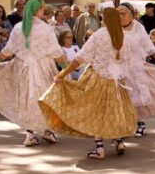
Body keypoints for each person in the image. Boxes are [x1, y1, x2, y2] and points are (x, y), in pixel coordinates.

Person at [40, 8, 138, 160]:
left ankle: (99, 149)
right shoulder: (124, 36)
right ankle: (119, 142)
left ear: (104, 19)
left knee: (96, 112)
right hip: (117, 81)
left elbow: (80, 59)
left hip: (97, 78)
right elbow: (129, 61)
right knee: (115, 111)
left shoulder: (98, 35)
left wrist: (63, 74)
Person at [0, 0, 66, 146]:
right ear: (38, 11)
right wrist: (65, 68)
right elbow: (56, 53)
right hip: (43, 69)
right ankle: (47, 131)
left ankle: (31, 134)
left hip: (23, 69)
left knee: (27, 101)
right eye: (43, 10)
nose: (44, 13)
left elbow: (7, 51)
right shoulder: (46, 28)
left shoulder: (18, 28)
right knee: (45, 100)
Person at [116, 3, 155, 137]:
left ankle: (140, 123)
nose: (121, 16)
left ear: (131, 14)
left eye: (124, 13)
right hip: (119, 68)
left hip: (136, 67)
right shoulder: (113, 27)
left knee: (137, 97)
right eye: (118, 13)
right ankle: (125, 125)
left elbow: (150, 47)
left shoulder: (138, 27)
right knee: (122, 97)